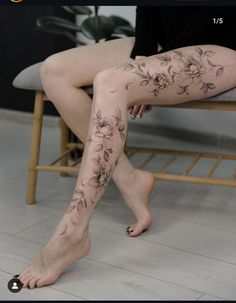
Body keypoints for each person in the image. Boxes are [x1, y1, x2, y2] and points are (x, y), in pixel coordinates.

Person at [15, 6, 236, 288]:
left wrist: (150, 66)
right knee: (55, 71)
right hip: (161, 43)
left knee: (113, 81)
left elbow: (221, 14)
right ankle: (129, 178)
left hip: (223, 42)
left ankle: (73, 234)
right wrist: (145, 54)